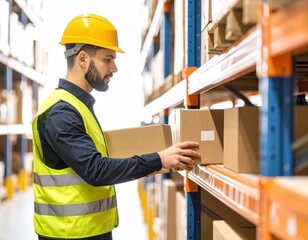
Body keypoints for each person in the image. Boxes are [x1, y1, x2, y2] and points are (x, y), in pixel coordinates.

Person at [32, 14, 200, 240]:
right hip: (71, 234)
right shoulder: (61, 112)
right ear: (83, 59)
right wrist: (159, 159)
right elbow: (96, 170)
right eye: (108, 59)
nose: (114, 68)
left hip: (87, 230)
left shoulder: (77, 106)